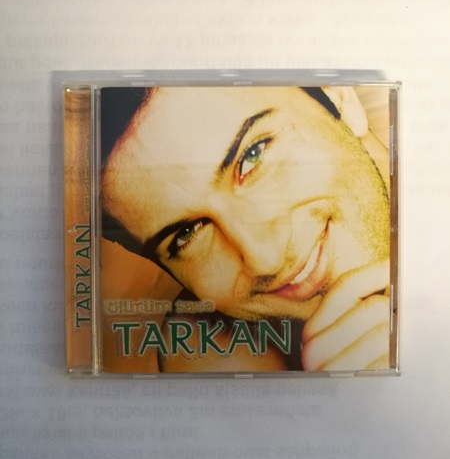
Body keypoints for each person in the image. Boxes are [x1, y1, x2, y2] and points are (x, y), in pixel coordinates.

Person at [101, 85, 391, 372]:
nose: (265, 259)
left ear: (338, 97)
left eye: (252, 156)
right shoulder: (215, 351)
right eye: (186, 234)